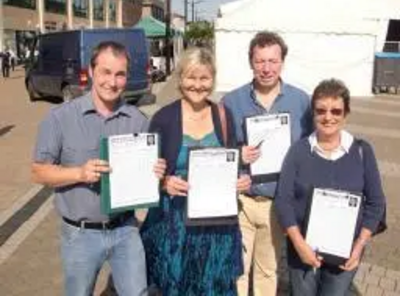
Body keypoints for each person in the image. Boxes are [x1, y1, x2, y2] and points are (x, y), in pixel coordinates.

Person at [31, 41, 166, 296]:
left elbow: (148, 175)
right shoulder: (59, 118)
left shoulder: (138, 120)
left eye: (120, 74)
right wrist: (78, 173)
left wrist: (155, 173)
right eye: (105, 72)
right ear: (91, 72)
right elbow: (38, 171)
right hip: (80, 235)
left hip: (125, 229)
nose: (112, 82)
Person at [140, 47, 251, 295]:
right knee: (176, 286)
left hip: (215, 227)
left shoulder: (223, 116)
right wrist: (163, 182)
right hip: (174, 226)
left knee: (214, 287)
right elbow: (146, 172)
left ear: (212, 80)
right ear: (180, 79)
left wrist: (241, 179)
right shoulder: (163, 118)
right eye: (191, 77)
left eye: (204, 78)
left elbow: (232, 162)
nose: (198, 85)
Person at [274, 79, 386, 296]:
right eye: (321, 110)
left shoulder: (362, 152)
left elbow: (376, 202)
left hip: (345, 250)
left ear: (346, 113)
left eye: (336, 111)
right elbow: (283, 200)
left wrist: (359, 246)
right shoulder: (298, 151)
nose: (328, 117)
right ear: (313, 113)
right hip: (302, 249)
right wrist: (299, 244)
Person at [222, 31, 313, 296]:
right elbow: (218, 149)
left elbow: (309, 150)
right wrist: (237, 155)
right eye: (260, 61)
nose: (266, 68)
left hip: (277, 204)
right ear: (251, 62)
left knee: (267, 270)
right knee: (236, 270)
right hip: (242, 202)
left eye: (273, 61)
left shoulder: (301, 101)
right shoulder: (230, 102)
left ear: (282, 62)